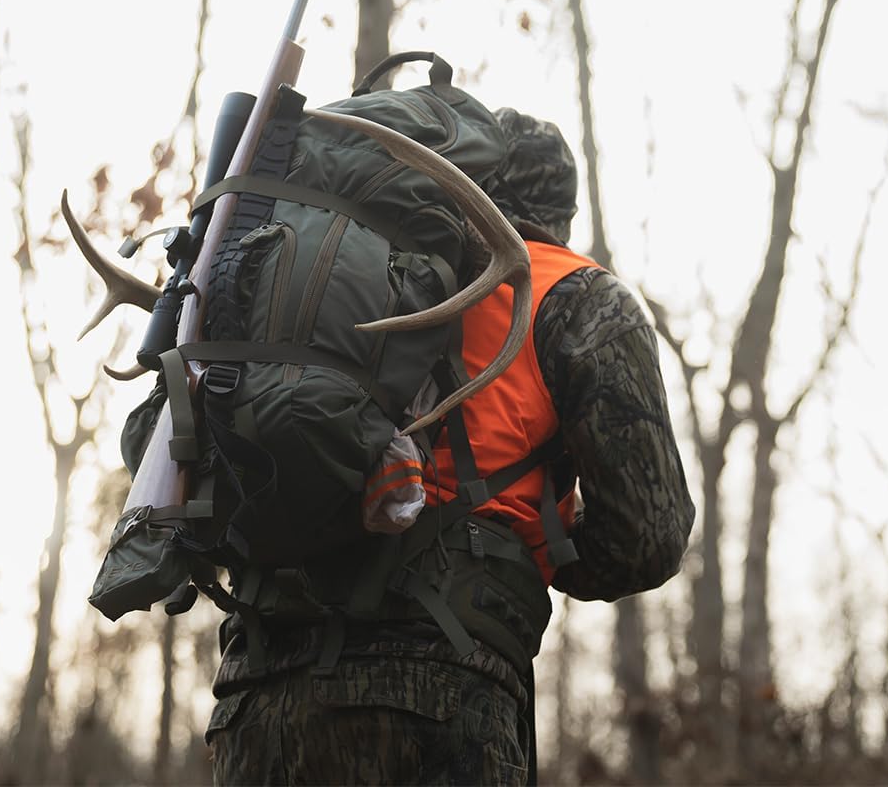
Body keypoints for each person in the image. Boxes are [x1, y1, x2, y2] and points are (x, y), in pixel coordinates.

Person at [204, 109, 696, 786]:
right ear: (560, 212)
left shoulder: (342, 279)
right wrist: (551, 561)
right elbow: (649, 533)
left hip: (253, 698)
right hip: (436, 693)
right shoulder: (571, 293)